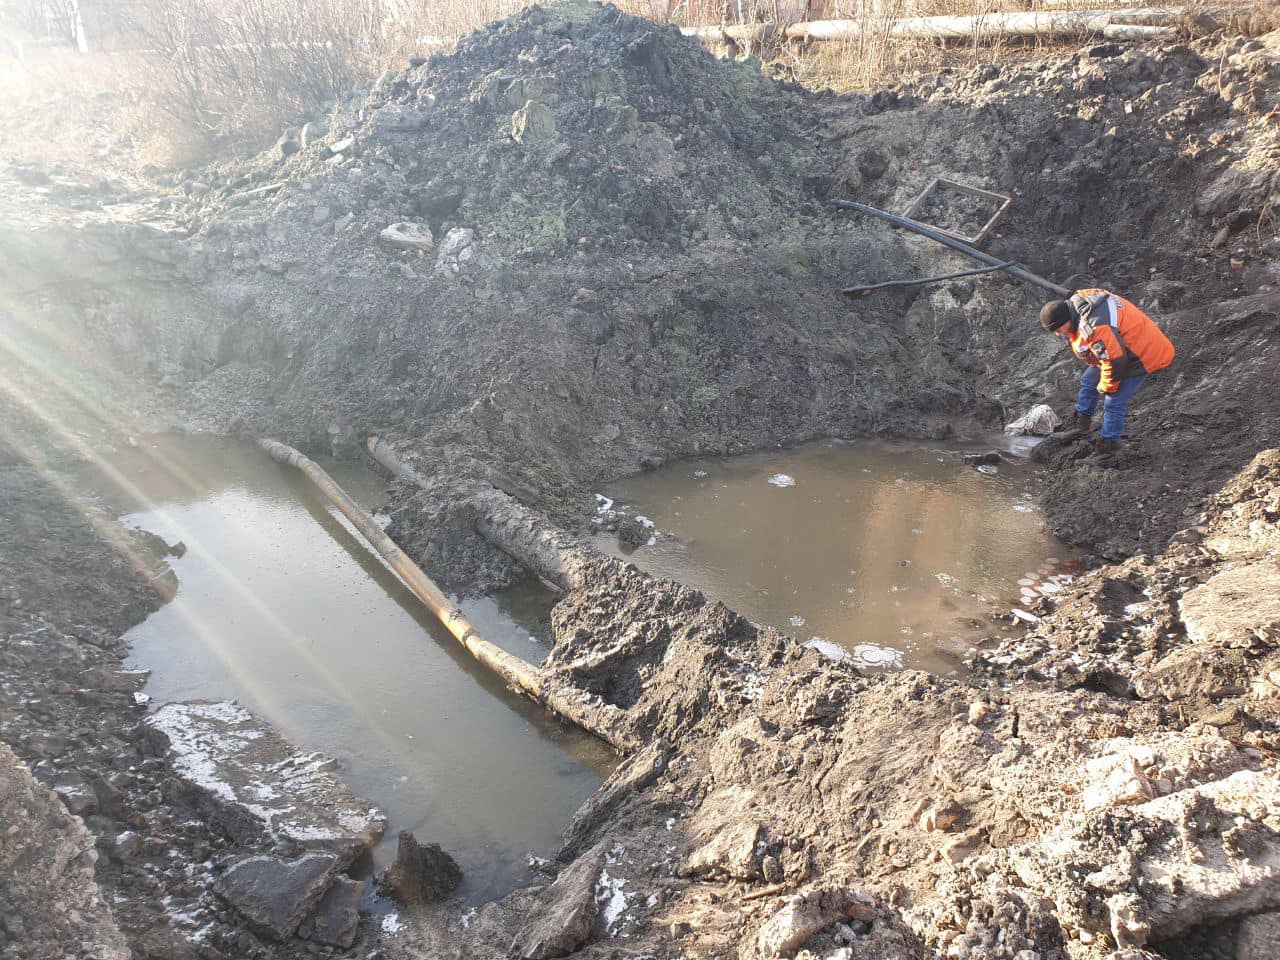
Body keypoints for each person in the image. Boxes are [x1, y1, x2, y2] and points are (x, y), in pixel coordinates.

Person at [1039, 288, 1175, 454]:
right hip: (1122, 345)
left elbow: (1114, 360)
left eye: (1059, 330)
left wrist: (1106, 385)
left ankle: (1109, 448)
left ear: (1066, 319)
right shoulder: (1078, 304)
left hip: (1142, 354)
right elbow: (1107, 348)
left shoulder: (1094, 326)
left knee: (1113, 401)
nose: (1059, 335)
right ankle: (1081, 428)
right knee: (1088, 381)